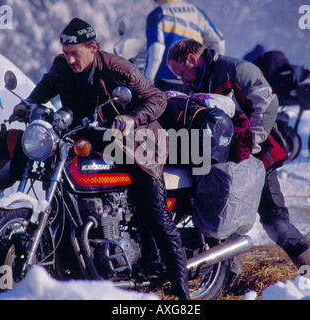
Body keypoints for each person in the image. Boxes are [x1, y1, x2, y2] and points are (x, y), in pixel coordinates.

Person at [25, 18, 190, 300]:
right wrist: (25, 105)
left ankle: (182, 292)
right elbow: (44, 88)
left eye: (76, 53)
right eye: (66, 53)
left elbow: (157, 98)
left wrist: (131, 117)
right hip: (92, 139)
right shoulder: (62, 66)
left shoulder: (116, 69)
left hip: (139, 143)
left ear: (93, 47)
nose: (71, 59)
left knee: (154, 214)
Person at [166, 38, 310, 286]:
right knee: (227, 219)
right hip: (224, 162)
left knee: (276, 221)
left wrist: (250, 144)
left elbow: (267, 103)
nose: (182, 80)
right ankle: (229, 281)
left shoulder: (235, 70)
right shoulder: (199, 80)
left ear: (191, 59)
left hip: (256, 157)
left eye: (181, 73)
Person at [144, 0, 225, 92]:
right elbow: (218, 42)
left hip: (165, 81)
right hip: (195, 81)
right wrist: (211, 71)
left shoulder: (158, 13)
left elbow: (156, 48)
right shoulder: (198, 14)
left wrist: (147, 81)